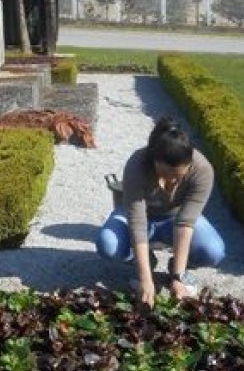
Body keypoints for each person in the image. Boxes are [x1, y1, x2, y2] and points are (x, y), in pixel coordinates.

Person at [96, 117, 225, 308]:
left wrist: (177, 276)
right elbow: (137, 223)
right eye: (166, 175)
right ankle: (145, 260)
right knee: (107, 244)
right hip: (140, 218)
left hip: (175, 218)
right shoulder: (136, 165)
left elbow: (185, 223)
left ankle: (179, 266)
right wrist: (146, 279)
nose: (172, 182)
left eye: (179, 177)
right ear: (154, 161)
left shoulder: (202, 170)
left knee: (213, 251)